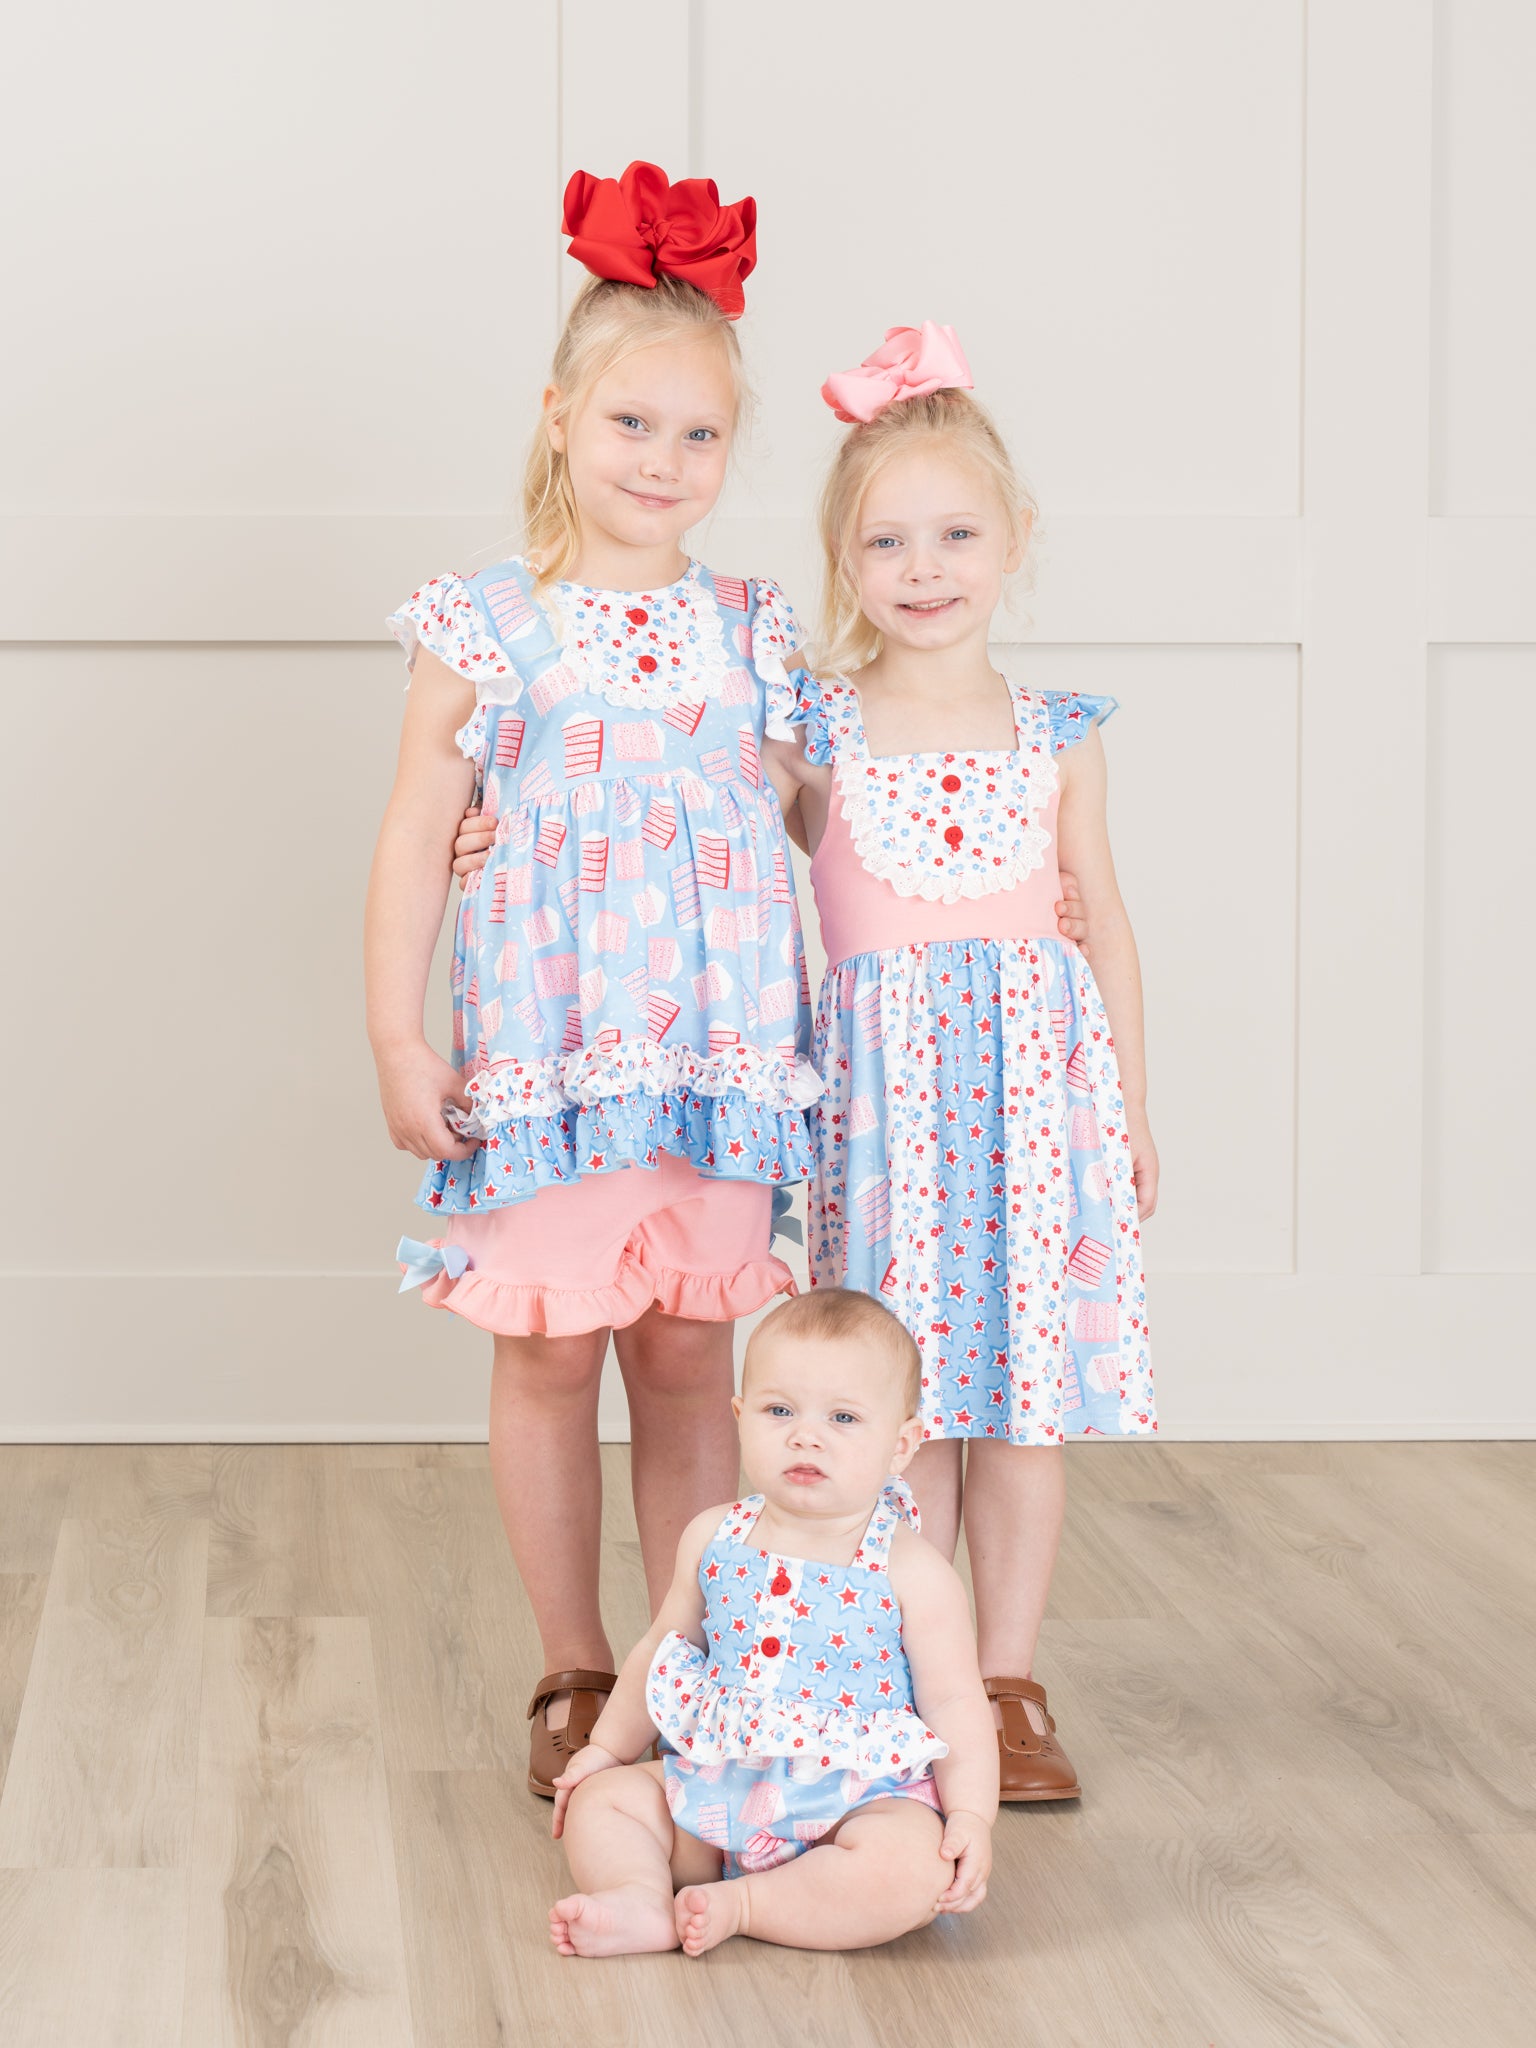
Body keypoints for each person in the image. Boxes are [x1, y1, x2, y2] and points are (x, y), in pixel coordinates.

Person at [364, 162, 819, 1799]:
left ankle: (687, 1658)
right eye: (633, 423)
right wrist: (398, 1033)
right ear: (561, 419)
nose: (662, 461)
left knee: (689, 1354)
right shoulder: (490, 624)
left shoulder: (754, 628)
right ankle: (574, 1658)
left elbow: (813, 822)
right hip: (553, 1057)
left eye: (699, 435)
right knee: (554, 1349)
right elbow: (414, 836)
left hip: (717, 1058)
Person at [768, 324, 1159, 1800]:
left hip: (1034, 1112)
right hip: (885, 1124)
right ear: (842, 557)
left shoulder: (1056, 734)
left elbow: (1105, 919)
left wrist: (1132, 1107)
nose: (922, 568)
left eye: (955, 535)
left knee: (1023, 1406)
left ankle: (1005, 1682)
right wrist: (484, 825)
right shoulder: (814, 726)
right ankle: (903, 1683)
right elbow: (681, 815)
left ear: (1015, 538)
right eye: (885, 541)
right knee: (905, 1409)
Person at [547, 1287, 997, 1958]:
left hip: (855, 1805)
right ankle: (641, 1897)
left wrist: (971, 1816)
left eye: (843, 1417)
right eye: (779, 1410)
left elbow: (957, 1702)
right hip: (715, 1791)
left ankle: (746, 1906)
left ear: (901, 1444)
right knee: (602, 1803)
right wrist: (606, 1751)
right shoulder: (714, 1536)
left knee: (911, 1868)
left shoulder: (912, 1570)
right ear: (740, 1416)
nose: (805, 1435)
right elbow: (661, 1649)